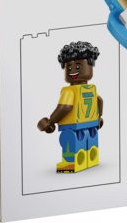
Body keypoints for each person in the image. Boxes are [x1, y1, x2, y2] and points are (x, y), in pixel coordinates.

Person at [37, 41, 103, 173]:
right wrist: (99, 117)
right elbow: (99, 101)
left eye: (78, 66)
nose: (72, 71)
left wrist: (51, 121)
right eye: (69, 68)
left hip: (72, 126)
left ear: (90, 66)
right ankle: (90, 159)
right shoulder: (90, 89)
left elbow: (65, 107)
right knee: (90, 141)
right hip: (90, 123)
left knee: (70, 141)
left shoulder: (69, 91)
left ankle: (70, 163)